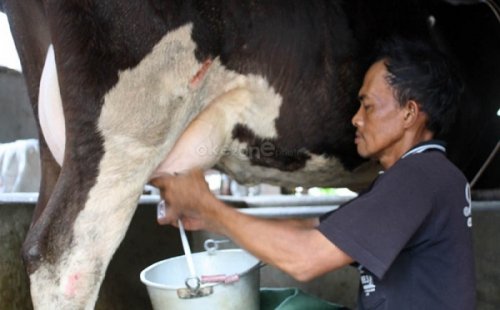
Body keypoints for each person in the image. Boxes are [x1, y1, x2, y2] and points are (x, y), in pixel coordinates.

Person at [151, 38, 475, 310]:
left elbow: (305, 258)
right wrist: (209, 218)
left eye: (368, 106)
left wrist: (209, 206)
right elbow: (310, 229)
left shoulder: (418, 178)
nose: (356, 119)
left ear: (409, 113)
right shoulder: (419, 177)